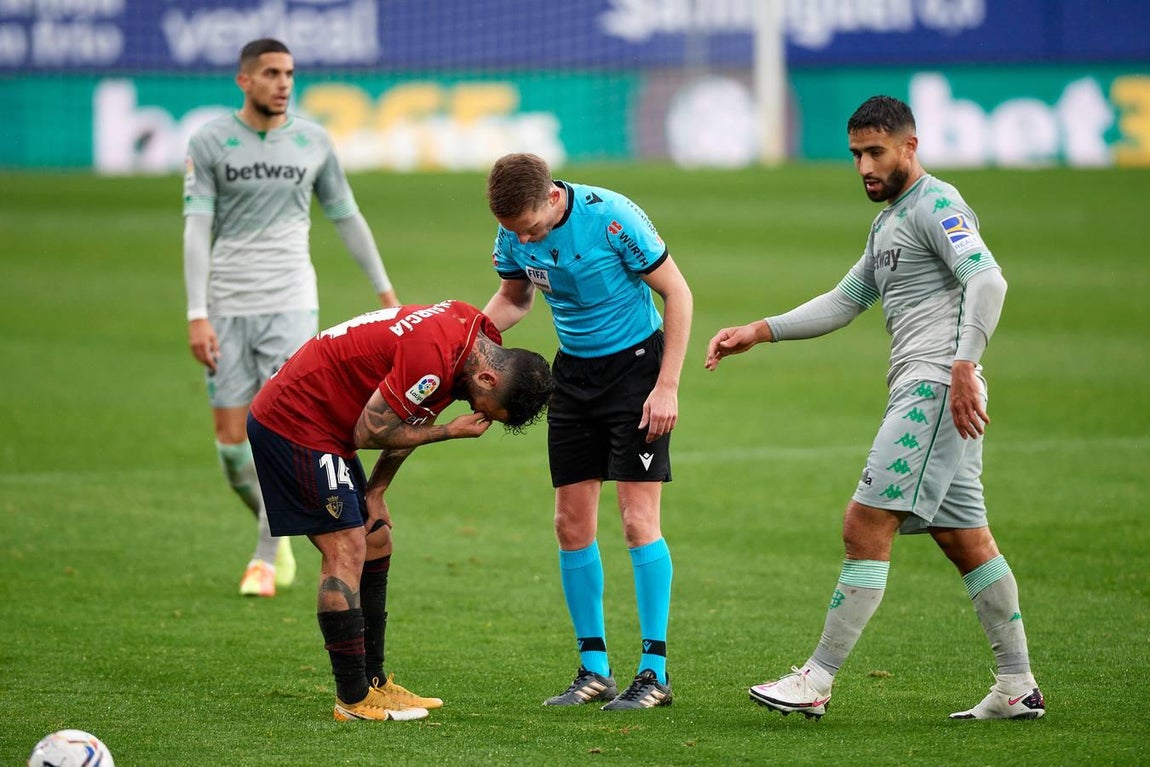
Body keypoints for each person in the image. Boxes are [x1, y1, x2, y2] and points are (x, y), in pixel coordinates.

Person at [705, 95, 1044, 721]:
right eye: (857, 154)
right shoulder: (891, 221)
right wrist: (760, 330)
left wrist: (963, 364)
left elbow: (988, 278)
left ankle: (816, 680)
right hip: (933, 386)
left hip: (935, 386)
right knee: (965, 538)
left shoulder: (937, 204)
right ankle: (1017, 686)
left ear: (910, 147)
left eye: (876, 152)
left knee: (864, 525)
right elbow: (846, 299)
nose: (864, 166)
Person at [247, 299, 553, 721]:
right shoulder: (434, 357)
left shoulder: (472, 337)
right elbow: (370, 431)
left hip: (327, 425)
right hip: (293, 421)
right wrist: (449, 432)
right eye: (485, 408)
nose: (476, 413)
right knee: (347, 547)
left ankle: (374, 681)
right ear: (488, 377)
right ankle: (352, 699)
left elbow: (412, 415)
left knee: (376, 539)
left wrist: (377, 489)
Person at [182, 38, 399, 598]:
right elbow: (196, 227)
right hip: (227, 304)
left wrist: (384, 290)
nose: (283, 83)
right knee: (233, 448)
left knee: (277, 431)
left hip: (292, 303)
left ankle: (262, 556)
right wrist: (197, 313)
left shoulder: (313, 140)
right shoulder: (209, 141)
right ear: (245, 80)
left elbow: (346, 215)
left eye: (289, 73)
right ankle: (275, 529)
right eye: (272, 73)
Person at [482, 153, 693, 710]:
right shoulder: (513, 232)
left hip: (637, 373)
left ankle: (654, 674)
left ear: (553, 198)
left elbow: (678, 292)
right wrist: (466, 344)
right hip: (572, 377)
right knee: (570, 524)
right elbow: (513, 299)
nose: (522, 239)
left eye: (529, 227)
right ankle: (594, 669)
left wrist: (667, 386)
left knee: (637, 521)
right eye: (512, 231)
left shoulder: (612, 218)